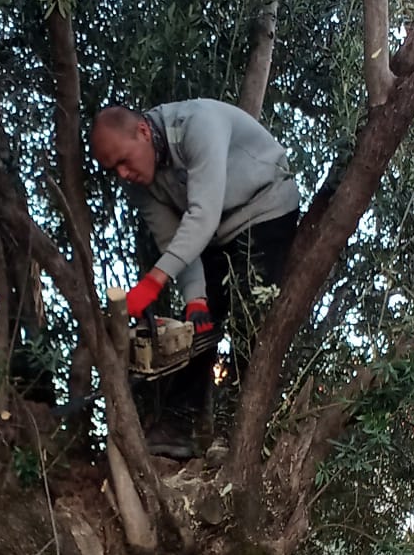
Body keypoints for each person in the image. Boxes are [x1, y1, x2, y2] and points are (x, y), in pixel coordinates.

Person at [90, 98, 300, 458]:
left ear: (143, 131)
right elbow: (175, 241)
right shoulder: (141, 185)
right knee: (195, 332)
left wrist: (153, 282)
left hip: (265, 210)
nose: (123, 174)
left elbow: (201, 215)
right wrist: (195, 299)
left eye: (124, 160)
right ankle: (176, 427)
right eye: (114, 169)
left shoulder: (199, 125)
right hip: (217, 235)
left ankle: (248, 430)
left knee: (252, 321)